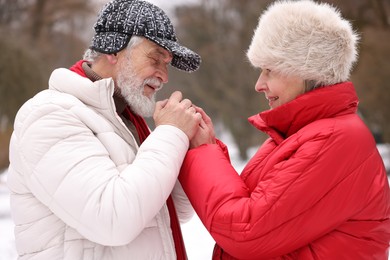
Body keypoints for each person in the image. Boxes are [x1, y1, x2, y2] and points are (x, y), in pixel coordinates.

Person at [179, 0, 390, 259]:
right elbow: (250, 206)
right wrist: (209, 146)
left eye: (269, 70)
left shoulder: (334, 139)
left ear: (306, 69)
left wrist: (203, 152)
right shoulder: (296, 136)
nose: (259, 84)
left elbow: (246, 230)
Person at [7, 0, 202, 259]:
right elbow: (112, 220)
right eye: (156, 58)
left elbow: (171, 212)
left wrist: (190, 147)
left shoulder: (124, 119)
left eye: (167, 63)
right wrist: (170, 134)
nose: (164, 76)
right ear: (113, 50)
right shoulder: (48, 115)